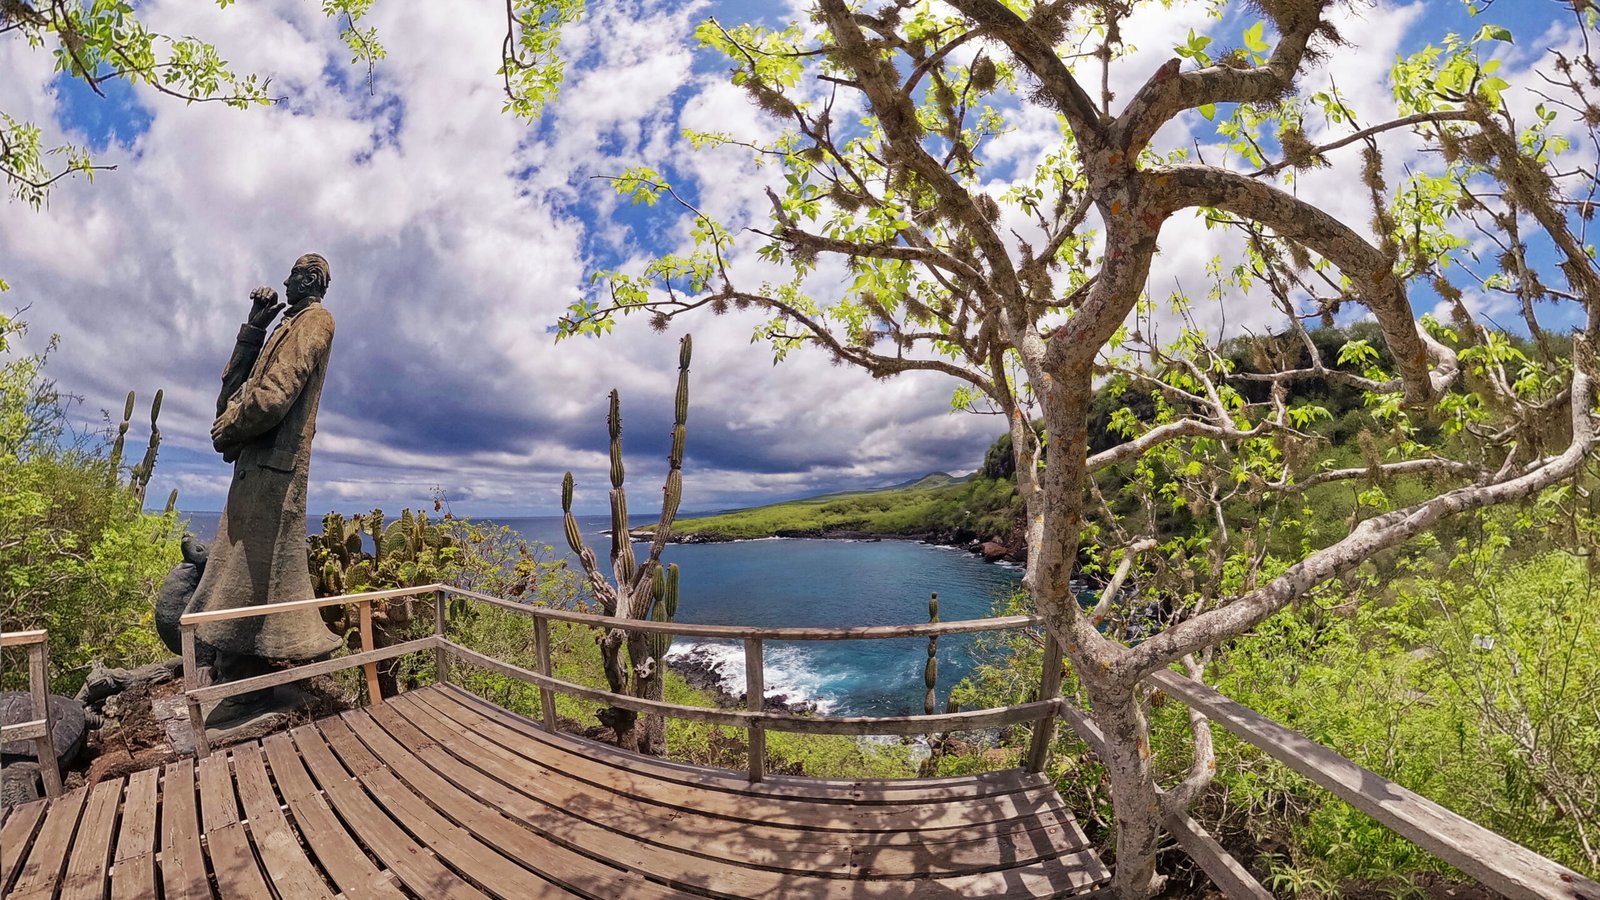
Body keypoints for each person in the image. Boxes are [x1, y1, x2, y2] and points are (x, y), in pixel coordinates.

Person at [188, 253, 343, 720]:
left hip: (275, 475)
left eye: (293, 274)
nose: (284, 281)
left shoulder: (317, 321)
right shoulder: (283, 325)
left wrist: (232, 426)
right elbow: (233, 396)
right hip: (254, 470)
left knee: (251, 579)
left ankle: (248, 686)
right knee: (238, 575)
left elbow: (274, 396)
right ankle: (239, 679)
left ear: (311, 278)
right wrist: (252, 331)